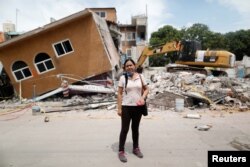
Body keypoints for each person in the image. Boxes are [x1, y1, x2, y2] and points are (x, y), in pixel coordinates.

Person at [117, 58, 149, 163]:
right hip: (126, 107)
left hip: (138, 107)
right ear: (125, 68)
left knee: (135, 128)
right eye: (127, 66)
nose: (129, 67)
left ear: (134, 66)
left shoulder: (141, 76)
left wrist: (142, 98)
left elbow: (147, 89)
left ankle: (136, 148)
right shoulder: (122, 78)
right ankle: (121, 151)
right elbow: (120, 93)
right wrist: (119, 108)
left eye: (131, 65)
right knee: (124, 129)